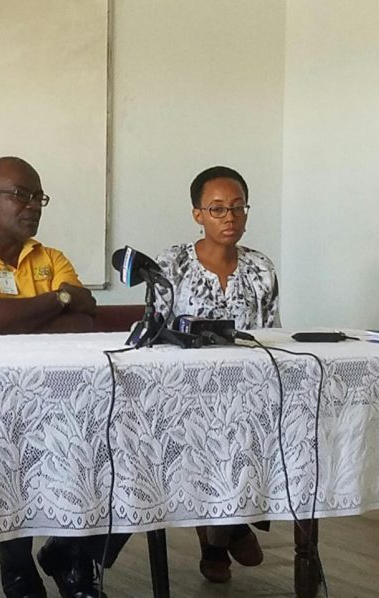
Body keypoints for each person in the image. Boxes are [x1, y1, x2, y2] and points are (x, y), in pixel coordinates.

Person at [0, 156, 121, 598]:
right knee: (10, 445)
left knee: (118, 439)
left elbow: (84, 322)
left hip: (63, 400)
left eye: (39, 197)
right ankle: (17, 568)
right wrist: (59, 300)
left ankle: (71, 556)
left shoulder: (50, 257)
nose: (33, 205)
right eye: (21, 195)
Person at [154, 165, 279, 584]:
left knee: (246, 427)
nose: (230, 217)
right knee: (206, 433)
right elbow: (154, 332)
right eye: (218, 209)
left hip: (247, 390)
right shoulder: (173, 264)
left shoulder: (261, 268)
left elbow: (270, 335)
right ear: (198, 215)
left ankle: (221, 534)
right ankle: (225, 532)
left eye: (238, 208)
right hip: (185, 392)